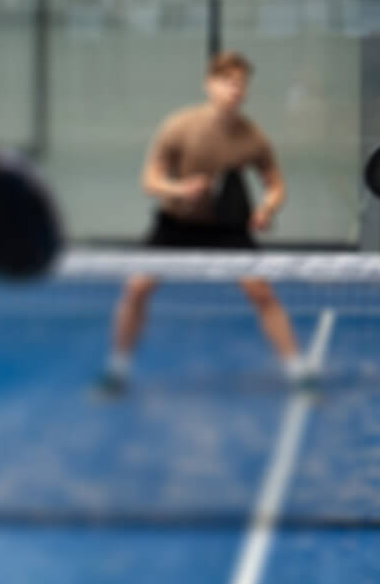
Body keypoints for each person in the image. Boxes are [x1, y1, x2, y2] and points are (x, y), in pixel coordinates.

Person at [97, 51, 317, 395]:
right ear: (208, 84)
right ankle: (117, 370)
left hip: (226, 227)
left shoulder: (251, 136)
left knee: (261, 292)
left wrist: (266, 209)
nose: (235, 89)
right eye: (227, 82)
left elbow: (276, 184)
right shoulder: (179, 126)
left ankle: (297, 370)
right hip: (176, 222)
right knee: (137, 288)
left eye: (241, 84)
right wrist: (179, 189)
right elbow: (150, 180)